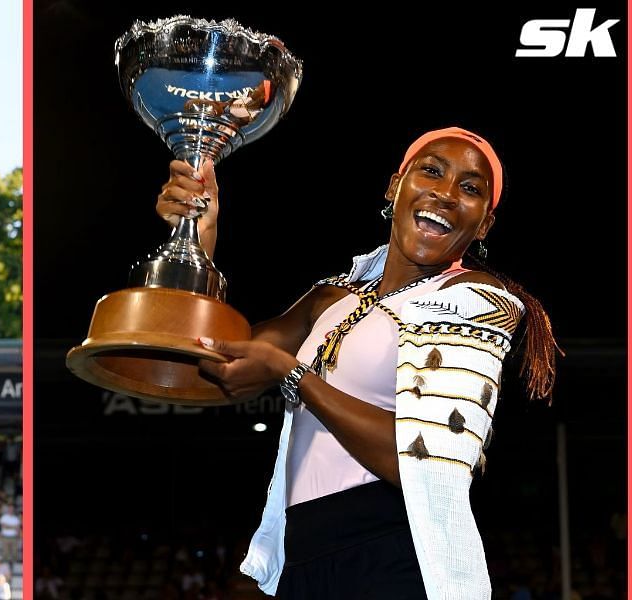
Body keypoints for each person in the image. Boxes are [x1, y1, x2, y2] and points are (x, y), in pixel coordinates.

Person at [156, 127, 559, 599]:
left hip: (393, 550)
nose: (447, 194)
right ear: (395, 186)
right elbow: (214, 364)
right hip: (303, 555)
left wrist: (292, 373)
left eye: (470, 189)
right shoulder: (335, 295)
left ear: (484, 225)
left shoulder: (473, 302)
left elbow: (422, 458)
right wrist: (197, 242)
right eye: (432, 171)